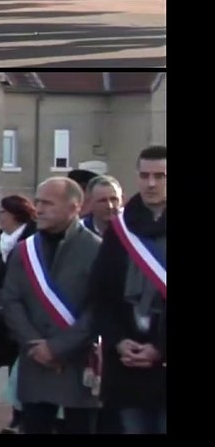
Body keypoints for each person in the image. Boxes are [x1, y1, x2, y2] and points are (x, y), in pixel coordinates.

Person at [2, 178, 102, 434]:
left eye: (47, 203)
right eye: (37, 202)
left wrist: (58, 348)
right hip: (35, 363)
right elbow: (10, 301)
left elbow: (99, 309)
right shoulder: (25, 250)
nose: (39, 209)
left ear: (74, 206)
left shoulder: (97, 249)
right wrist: (35, 345)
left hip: (78, 364)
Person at [89, 145, 167, 435]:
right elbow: (101, 294)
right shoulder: (120, 230)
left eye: (160, 176)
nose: (151, 183)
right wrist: (118, 340)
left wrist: (159, 349)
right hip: (127, 362)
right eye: (145, 175)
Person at [0, 195, 37, 433]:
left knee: (25, 366)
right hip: (2, 315)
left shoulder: (33, 238)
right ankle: (17, 415)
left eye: (3, 212)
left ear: (16, 214)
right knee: (11, 365)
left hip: (26, 314)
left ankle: (27, 416)